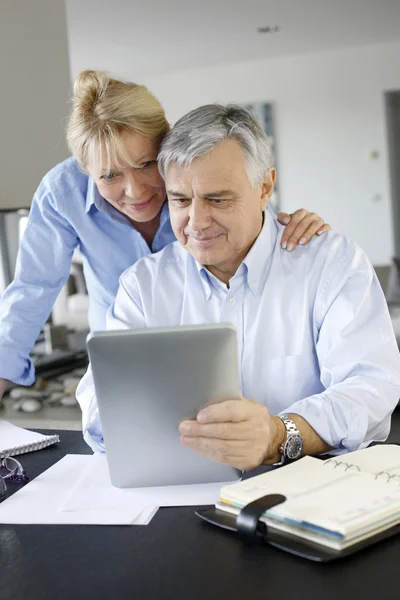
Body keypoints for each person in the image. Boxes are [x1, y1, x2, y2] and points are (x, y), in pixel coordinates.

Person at [77, 103, 400, 469]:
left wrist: (279, 435)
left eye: (218, 199)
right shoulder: (142, 285)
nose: (196, 222)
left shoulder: (332, 264)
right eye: (180, 200)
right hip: (181, 487)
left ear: (265, 187)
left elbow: (369, 389)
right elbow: (98, 399)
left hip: (306, 489)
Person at [0, 71, 330, 407]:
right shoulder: (62, 194)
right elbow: (31, 290)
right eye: (110, 175)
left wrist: (294, 226)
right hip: (123, 358)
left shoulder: (195, 178)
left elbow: (253, 227)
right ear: (86, 169)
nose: (136, 190)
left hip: (212, 348)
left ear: (167, 145)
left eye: (146, 164)